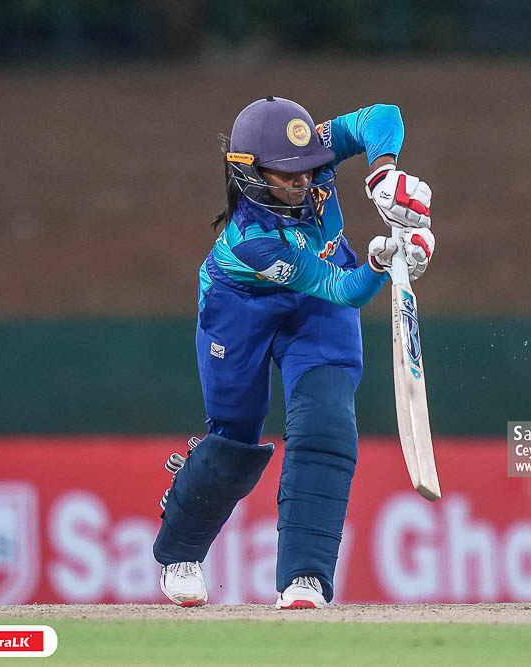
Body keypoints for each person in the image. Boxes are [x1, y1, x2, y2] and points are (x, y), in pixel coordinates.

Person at [153, 96, 436, 609]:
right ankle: (181, 549)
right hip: (240, 307)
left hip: (318, 304)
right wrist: (380, 263)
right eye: (287, 174)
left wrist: (383, 173)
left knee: (326, 423)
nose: (303, 180)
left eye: (308, 168)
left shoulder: (312, 156)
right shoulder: (251, 241)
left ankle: (304, 576)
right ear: (249, 173)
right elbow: (345, 288)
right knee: (235, 437)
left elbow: (383, 115)